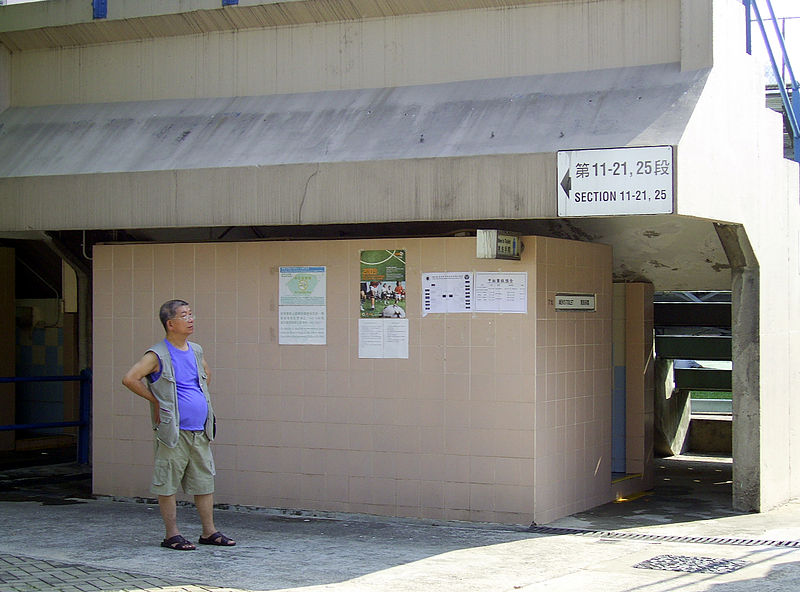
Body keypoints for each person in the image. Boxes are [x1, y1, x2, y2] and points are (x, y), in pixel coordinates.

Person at [122, 299, 235, 551]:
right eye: (185, 315)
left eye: (191, 314)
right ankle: (171, 534)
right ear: (171, 323)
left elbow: (206, 374)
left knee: (204, 482)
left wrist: (198, 400)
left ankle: (209, 532)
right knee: (168, 482)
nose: (191, 319)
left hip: (200, 431)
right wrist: (157, 402)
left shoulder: (195, 350)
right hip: (173, 432)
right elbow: (130, 379)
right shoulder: (156, 354)